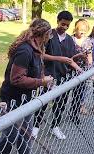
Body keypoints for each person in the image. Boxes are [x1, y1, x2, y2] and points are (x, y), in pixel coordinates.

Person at [0, 18, 54, 154]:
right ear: (42, 34)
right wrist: (41, 82)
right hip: (12, 98)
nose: (50, 38)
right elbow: (16, 79)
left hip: (26, 98)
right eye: (49, 34)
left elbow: (38, 69)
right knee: (12, 134)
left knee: (26, 134)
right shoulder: (25, 50)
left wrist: (44, 80)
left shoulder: (37, 48)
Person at [33, 11, 79, 140]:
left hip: (64, 77)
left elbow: (70, 59)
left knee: (61, 103)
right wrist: (58, 58)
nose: (64, 27)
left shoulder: (70, 39)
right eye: (62, 24)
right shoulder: (49, 35)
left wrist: (78, 59)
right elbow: (40, 54)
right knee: (43, 102)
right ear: (58, 20)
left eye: (67, 25)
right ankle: (35, 127)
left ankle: (55, 126)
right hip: (48, 76)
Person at [70, 19, 93, 123]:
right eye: (81, 30)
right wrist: (78, 56)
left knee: (78, 94)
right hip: (69, 70)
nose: (82, 32)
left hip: (82, 72)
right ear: (76, 29)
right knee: (65, 95)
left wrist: (89, 67)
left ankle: (74, 113)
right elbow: (66, 56)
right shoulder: (70, 40)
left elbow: (90, 56)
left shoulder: (88, 41)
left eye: (85, 30)